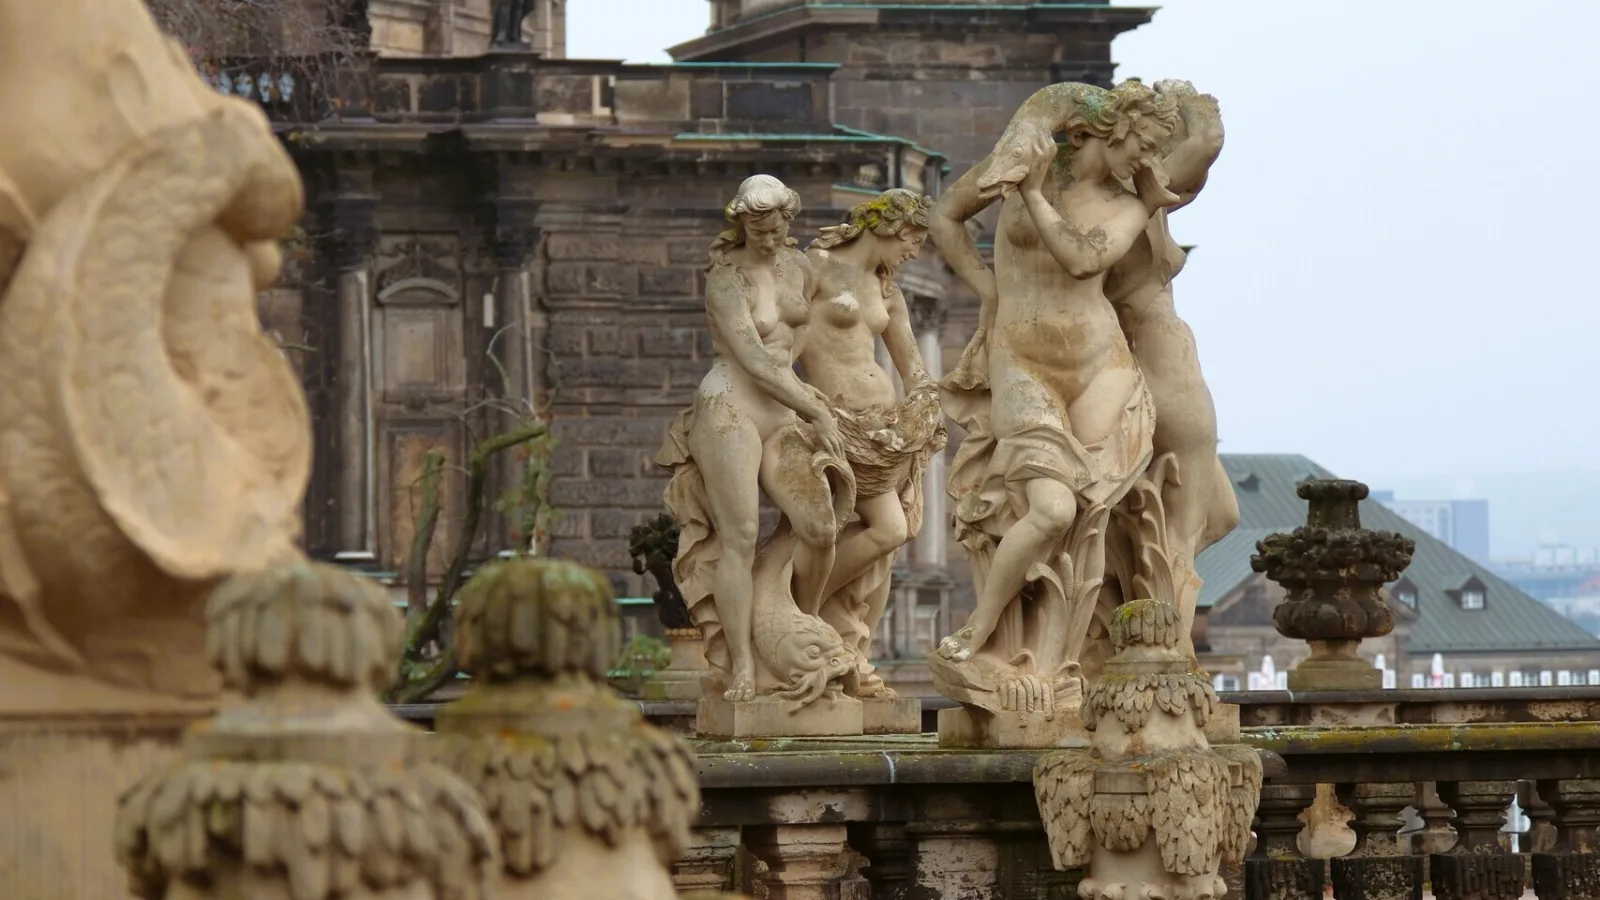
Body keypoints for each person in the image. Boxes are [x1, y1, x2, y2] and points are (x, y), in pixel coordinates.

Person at [930, 80, 1182, 689]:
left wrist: (1034, 195)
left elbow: (1085, 259)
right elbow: (945, 216)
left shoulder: (1130, 202)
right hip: (1023, 361)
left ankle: (1065, 657)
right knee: (1051, 509)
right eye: (1145, 144)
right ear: (1113, 129)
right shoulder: (1024, 161)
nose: (1149, 160)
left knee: (1091, 517)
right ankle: (983, 629)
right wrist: (987, 288)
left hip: (1101, 367)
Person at [656, 174, 846, 702]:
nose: (769, 238)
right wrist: (813, 407)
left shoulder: (798, 266)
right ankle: (743, 665)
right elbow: (755, 359)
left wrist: (800, 393)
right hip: (730, 405)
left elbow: (798, 335)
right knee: (740, 535)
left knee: (820, 526)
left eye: (777, 228)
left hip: (781, 407)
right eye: (759, 230)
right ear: (741, 225)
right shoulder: (726, 280)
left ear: (788, 222)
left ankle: (799, 622)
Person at [798, 189, 947, 693]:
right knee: (889, 530)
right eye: (912, 240)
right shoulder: (814, 269)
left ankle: (855, 648)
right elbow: (780, 345)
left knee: (885, 549)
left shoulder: (888, 291)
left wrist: (925, 406)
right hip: (834, 423)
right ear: (886, 226)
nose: (914, 252)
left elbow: (914, 367)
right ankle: (800, 606)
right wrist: (800, 402)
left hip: (886, 432)